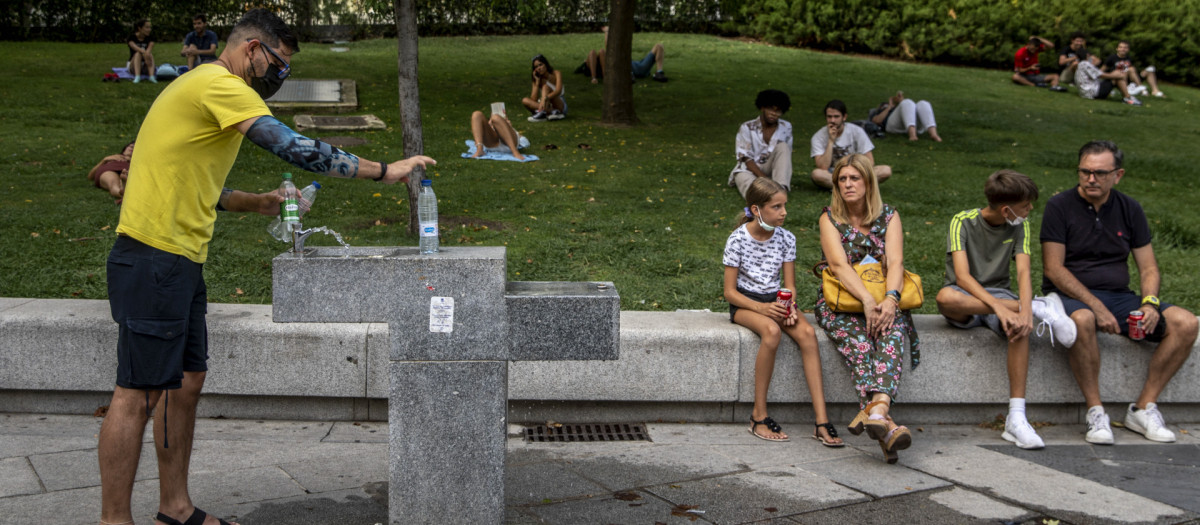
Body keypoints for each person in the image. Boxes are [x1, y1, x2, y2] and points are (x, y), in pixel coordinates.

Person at [97, 9, 436, 525]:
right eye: (277, 63)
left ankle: (175, 509)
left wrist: (259, 202)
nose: (278, 75)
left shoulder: (204, 88)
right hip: (152, 257)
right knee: (136, 392)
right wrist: (384, 171)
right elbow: (292, 146)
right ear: (252, 48)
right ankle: (113, 521)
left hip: (179, 260)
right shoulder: (219, 83)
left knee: (185, 383)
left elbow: (193, 182)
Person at [1040, 140, 1197, 445]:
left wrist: (1150, 303)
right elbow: (1053, 269)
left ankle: (1142, 408)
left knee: (1186, 322)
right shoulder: (1059, 206)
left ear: (1118, 175)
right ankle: (1095, 412)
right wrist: (1096, 306)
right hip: (1071, 294)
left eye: (1100, 173)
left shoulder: (1130, 208)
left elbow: (1148, 268)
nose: (1090, 179)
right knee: (1083, 319)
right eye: (1085, 171)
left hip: (1120, 296)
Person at [935, 169, 1071, 450]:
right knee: (945, 299)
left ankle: (1017, 418)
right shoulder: (962, 221)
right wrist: (1003, 307)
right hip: (968, 296)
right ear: (1007, 209)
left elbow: (1023, 272)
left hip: (1000, 294)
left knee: (1019, 328)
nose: (1030, 209)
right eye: (1025, 205)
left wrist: (1020, 315)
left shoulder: (1021, 225)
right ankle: (1037, 306)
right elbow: (962, 277)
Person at [814, 154, 919, 464]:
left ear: (868, 182)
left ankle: (878, 413)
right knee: (861, 345)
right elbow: (838, 265)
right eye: (842, 179)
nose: (847, 184)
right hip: (843, 303)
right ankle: (885, 423)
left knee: (891, 329)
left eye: (854, 178)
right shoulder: (830, 218)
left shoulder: (889, 216)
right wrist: (867, 301)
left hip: (882, 296)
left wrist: (890, 300)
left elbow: (896, 262)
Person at [724, 177, 844, 448]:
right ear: (757, 209)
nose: (784, 212)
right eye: (776, 207)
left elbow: (789, 284)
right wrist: (763, 309)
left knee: (807, 334)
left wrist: (789, 306)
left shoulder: (786, 238)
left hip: (776, 300)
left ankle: (821, 421)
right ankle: (758, 415)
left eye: (784, 205)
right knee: (771, 331)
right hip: (746, 303)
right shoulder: (737, 240)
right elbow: (730, 293)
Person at [811, 100, 891, 190]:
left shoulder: (856, 131)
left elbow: (870, 162)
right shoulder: (818, 137)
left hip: (856, 172)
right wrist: (830, 141)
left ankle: (843, 188)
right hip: (833, 174)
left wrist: (854, 171)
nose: (832, 120)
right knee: (817, 174)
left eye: (836, 117)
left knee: (885, 170)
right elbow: (823, 167)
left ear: (844, 117)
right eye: (829, 117)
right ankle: (855, 187)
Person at [728, 89, 793, 197]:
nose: (774, 113)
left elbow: (785, 156)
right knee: (745, 180)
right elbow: (746, 158)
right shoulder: (747, 127)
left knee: (783, 147)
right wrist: (766, 180)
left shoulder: (786, 127)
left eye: (778, 111)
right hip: (749, 170)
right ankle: (762, 196)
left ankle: (781, 190)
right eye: (770, 109)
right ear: (762, 107)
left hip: (771, 168)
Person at [581, 25, 668, 83]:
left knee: (659, 46)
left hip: (638, 65)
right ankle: (629, 74)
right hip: (630, 69)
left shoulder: (606, 58)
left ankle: (659, 73)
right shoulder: (608, 62)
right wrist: (607, 32)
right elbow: (609, 48)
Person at [868, 91, 941, 142]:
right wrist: (889, 107)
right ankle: (912, 135)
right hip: (893, 127)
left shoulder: (900, 106)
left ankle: (933, 134)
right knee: (907, 102)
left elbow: (908, 109)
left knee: (923, 103)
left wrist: (900, 102)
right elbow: (876, 121)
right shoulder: (881, 109)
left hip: (911, 124)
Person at [1076, 54, 1142, 106]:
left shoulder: (1082, 64)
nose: (1097, 59)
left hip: (1089, 92)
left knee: (1117, 75)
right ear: (1088, 56)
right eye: (1094, 57)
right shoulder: (1085, 64)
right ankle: (1128, 97)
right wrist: (1117, 75)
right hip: (1093, 93)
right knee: (1117, 77)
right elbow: (1101, 75)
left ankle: (1127, 96)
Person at [522, 54, 566, 122]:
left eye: (540, 65)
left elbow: (558, 91)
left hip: (559, 103)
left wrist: (545, 98)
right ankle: (549, 112)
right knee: (525, 100)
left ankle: (543, 112)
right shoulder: (537, 79)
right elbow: (533, 99)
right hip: (546, 105)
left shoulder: (556, 73)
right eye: (536, 67)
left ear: (546, 64)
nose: (539, 68)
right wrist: (537, 83)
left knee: (545, 87)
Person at [127, 19, 157, 84]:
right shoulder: (132, 38)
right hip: (133, 65)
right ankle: (137, 76)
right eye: (147, 27)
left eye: (150, 27)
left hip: (146, 64)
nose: (149, 29)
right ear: (139, 28)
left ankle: (151, 76)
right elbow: (135, 48)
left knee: (150, 54)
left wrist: (147, 55)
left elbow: (149, 50)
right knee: (138, 53)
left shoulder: (150, 38)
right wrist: (144, 53)